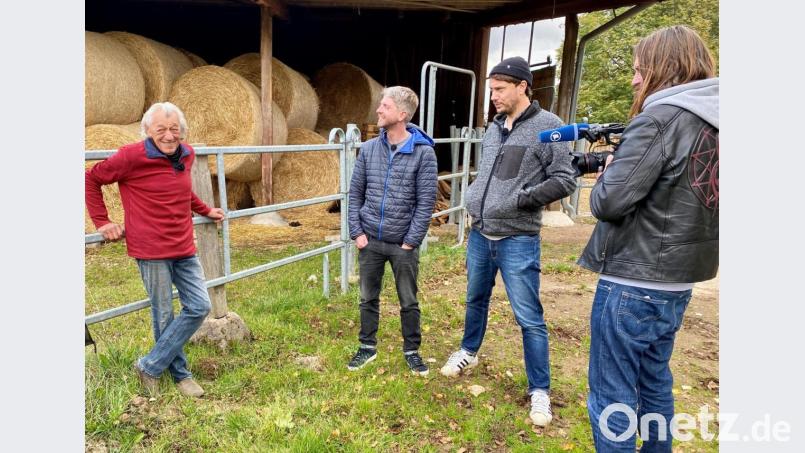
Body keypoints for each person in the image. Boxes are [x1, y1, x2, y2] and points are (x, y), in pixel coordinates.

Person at [577, 25, 719, 451]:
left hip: (634, 281)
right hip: (678, 281)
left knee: (612, 397)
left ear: (664, 68)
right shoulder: (717, 123)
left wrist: (605, 176)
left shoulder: (659, 118)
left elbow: (609, 203)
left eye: (640, 70)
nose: (635, 80)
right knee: (655, 382)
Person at [440, 56, 576, 426]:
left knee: (529, 317)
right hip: (481, 234)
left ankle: (540, 391)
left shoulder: (552, 127)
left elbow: (565, 179)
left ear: (522, 86)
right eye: (491, 90)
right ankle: (469, 350)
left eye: (499, 90)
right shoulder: (494, 127)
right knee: (475, 299)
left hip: (518, 237)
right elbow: (487, 175)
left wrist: (521, 199)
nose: (494, 97)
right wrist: (474, 198)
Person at [86, 102, 225, 397]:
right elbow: (91, 178)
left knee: (199, 306)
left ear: (182, 131)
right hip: (150, 248)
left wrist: (205, 209)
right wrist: (102, 221)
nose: (169, 135)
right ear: (148, 131)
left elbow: (182, 190)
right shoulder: (131, 156)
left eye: (174, 129)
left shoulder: (186, 154)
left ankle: (150, 366)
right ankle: (182, 376)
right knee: (163, 314)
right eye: (161, 129)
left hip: (183, 244)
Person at [347, 86, 438, 376]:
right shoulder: (369, 149)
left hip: (403, 245)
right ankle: (366, 347)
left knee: (408, 300)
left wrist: (411, 241)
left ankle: (412, 351)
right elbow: (355, 193)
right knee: (367, 297)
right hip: (370, 239)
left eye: (384, 106)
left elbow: (425, 203)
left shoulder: (424, 154)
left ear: (401, 114)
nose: (378, 110)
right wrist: (357, 232)